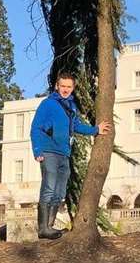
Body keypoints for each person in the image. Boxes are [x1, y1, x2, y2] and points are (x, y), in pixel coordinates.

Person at [29, 72, 111, 240]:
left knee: (60, 192)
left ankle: (50, 228)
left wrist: (95, 130)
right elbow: (35, 128)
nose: (65, 90)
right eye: (63, 86)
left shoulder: (71, 107)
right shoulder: (47, 104)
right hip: (48, 151)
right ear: (57, 86)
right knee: (49, 188)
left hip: (64, 153)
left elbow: (76, 126)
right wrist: (37, 150)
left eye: (69, 87)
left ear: (73, 88)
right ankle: (43, 228)